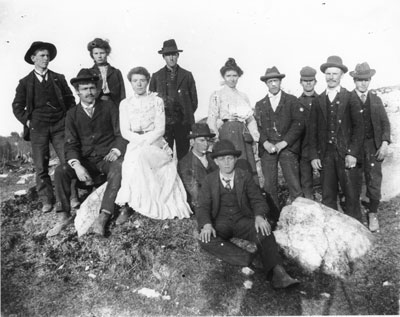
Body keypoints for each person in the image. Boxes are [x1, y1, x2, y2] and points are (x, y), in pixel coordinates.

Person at [197, 139, 299, 289]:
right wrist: (206, 224)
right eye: (222, 159)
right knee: (205, 239)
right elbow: (203, 206)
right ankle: (251, 259)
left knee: (265, 231)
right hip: (221, 222)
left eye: (230, 158)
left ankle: (279, 273)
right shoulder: (209, 180)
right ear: (216, 161)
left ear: (235, 159)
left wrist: (259, 216)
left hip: (242, 220)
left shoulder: (244, 176)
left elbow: (258, 200)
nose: (226, 163)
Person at [48, 69, 127, 237]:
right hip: (85, 161)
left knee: (119, 167)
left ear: (97, 89)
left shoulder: (109, 107)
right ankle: (63, 215)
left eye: (92, 88)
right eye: (84, 89)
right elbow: (70, 145)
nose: (89, 92)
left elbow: (121, 134)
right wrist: (77, 165)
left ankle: (104, 215)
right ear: (77, 91)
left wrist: (115, 150)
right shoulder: (72, 114)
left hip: (107, 158)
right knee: (61, 171)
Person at [115, 66, 192, 222]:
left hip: (155, 142)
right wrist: (140, 141)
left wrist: (146, 141)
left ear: (148, 81)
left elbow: (160, 128)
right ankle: (129, 205)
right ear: (130, 83)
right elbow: (125, 131)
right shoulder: (125, 103)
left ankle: (152, 202)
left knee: (142, 156)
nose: (139, 84)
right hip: (135, 142)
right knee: (132, 161)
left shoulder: (157, 101)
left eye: (142, 80)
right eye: (135, 81)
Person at [12, 41, 76, 213]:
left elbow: (70, 100)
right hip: (37, 128)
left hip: (59, 125)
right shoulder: (25, 82)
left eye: (47, 56)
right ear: (33, 58)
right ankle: (46, 200)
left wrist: (67, 119)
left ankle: (73, 196)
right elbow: (17, 106)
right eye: (42, 55)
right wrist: (28, 121)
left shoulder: (58, 78)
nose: (46, 59)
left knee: (68, 160)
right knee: (41, 165)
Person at [309, 56, 364, 222]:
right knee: (328, 195)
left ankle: (357, 232)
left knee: (352, 195)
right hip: (326, 156)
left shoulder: (350, 97)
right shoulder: (318, 100)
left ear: (341, 76)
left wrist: (352, 153)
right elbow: (312, 131)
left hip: (346, 154)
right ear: (324, 75)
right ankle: (333, 232)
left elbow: (359, 128)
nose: (331, 77)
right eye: (328, 73)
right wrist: (314, 155)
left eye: (335, 73)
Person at [254, 66, 304, 221]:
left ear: (280, 81)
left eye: (276, 80)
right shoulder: (260, 104)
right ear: (266, 84)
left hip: (287, 148)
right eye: (270, 81)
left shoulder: (291, 100)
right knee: (269, 185)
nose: (273, 84)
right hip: (268, 148)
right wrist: (265, 143)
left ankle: (300, 217)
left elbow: (298, 124)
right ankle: (274, 218)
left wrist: (285, 142)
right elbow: (257, 128)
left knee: (294, 183)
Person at [350, 62, 391, 231]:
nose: (363, 83)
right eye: (360, 80)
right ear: (354, 81)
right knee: (353, 181)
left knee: (374, 180)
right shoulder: (348, 100)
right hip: (355, 148)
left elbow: (385, 123)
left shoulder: (375, 100)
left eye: (366, 80)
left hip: (373, 146)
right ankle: (354, 215)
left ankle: (373, 213)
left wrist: (384, 143)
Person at [207, 58, 260, 184]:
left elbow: (250, 119)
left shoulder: (243, 96)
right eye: (228, 75)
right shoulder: (217, 95)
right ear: (224, 77)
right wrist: (216, 139)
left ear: (239, 76)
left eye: (235, 75)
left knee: (246, 165)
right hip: (227, 133)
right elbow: (212, 118)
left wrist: (255, 137)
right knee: (230, 164)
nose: (232, 79)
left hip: (243, 135)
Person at [149, 39, 198, 160]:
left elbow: (193, 102)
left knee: (184, 155)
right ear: (163, 57)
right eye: (167, 55)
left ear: (178, 55)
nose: (171, 58)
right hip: (164, 124)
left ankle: (184, 178)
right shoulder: (156, 76)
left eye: (173, 54)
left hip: (183, 123)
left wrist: (185, 115)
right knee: (164, 156)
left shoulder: (187, 75)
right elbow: (151, 101)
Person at [178, 123, 218, 209]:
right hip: (201, 204)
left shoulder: (212, 157)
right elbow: (195, 193)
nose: (206, 144)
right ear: (192, 142)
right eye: (202, 140)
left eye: (208, 140)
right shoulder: (185, 163)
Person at [79, 38, 125, 107]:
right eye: (96, 53)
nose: (99, 56)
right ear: (92, 55)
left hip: (113, 105)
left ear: (107, 53)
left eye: (102, 53)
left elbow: (122, 94)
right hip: (95, 105)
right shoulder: (88, 72)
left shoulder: (116, 72)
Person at [298, 66, 319, 199]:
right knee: (306, 181)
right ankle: (310, 208)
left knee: (329, 180)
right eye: (305, 81)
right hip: (304, 148)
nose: (308, 83)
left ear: (315, 82)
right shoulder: (296, 102)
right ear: (301, 82)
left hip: (321, 147)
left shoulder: (322, 99)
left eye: (311, 80)